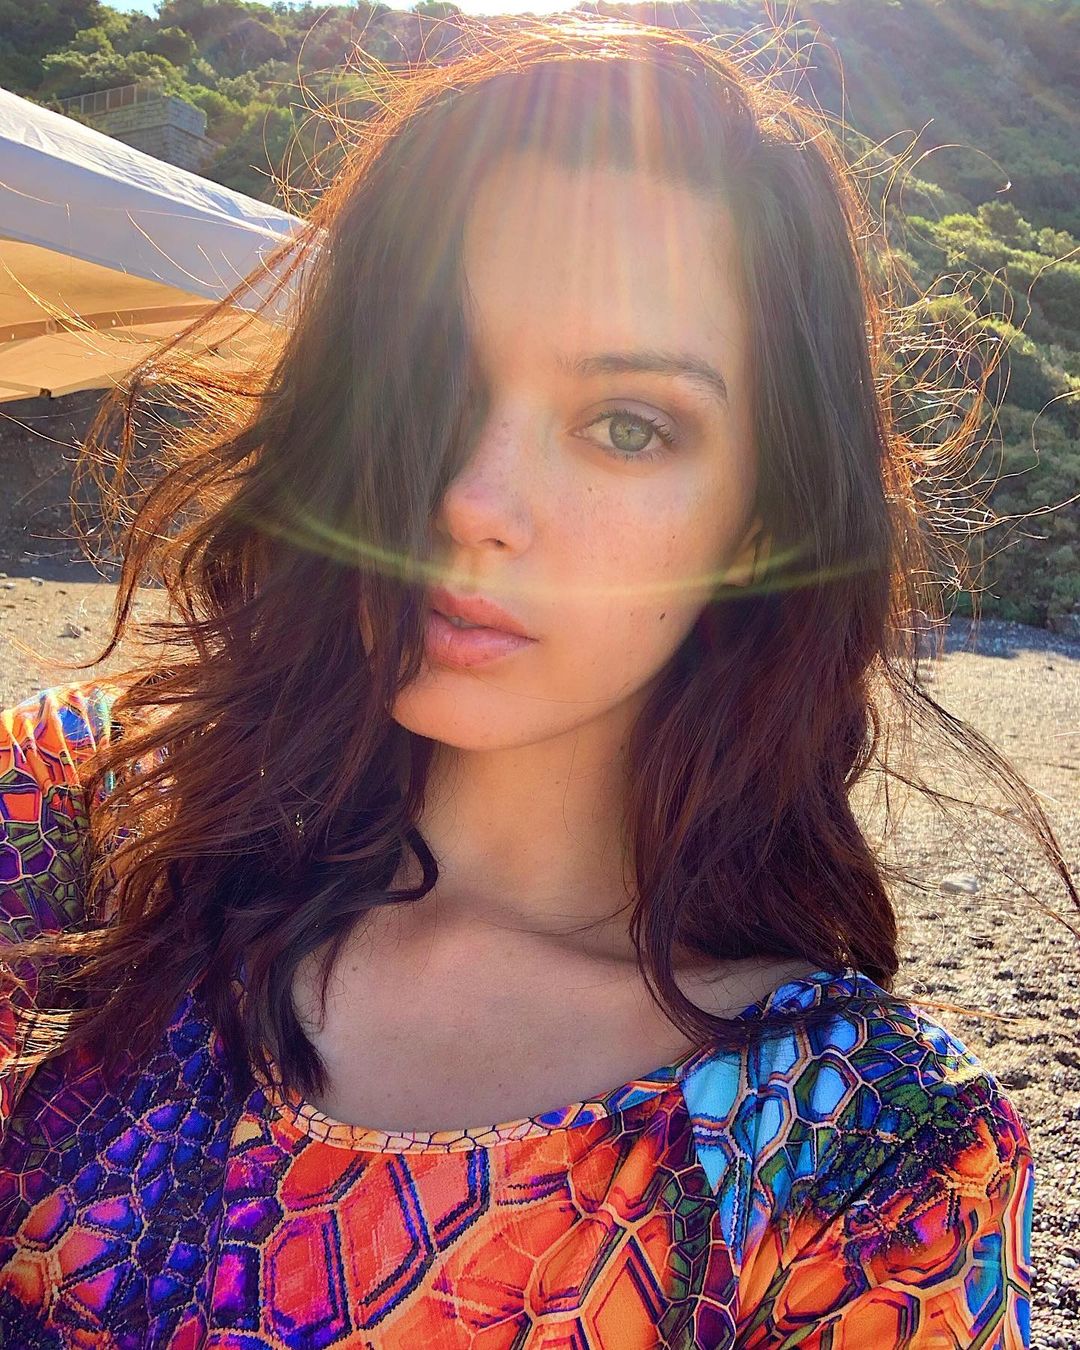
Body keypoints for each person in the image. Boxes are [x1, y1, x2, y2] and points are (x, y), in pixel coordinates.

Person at [1, 16, 1067, 1348]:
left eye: (627, 425)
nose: (472, 498)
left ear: (762, 521)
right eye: (431, 376)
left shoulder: (864, 1159)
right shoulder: (76, 816)